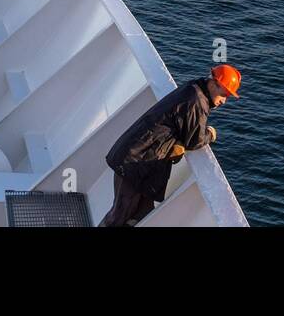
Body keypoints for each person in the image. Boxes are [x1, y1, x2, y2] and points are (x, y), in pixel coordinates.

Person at [99, 64, 241, 227]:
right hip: (134, 163)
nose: (224, 100)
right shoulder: (196, 102)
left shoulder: (193, 88)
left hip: (140, 159)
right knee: (120, 215)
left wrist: (176, 143)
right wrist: (211, 134)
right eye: (225, 94)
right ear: (214, 83)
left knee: (141, 214)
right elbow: (194, 140)